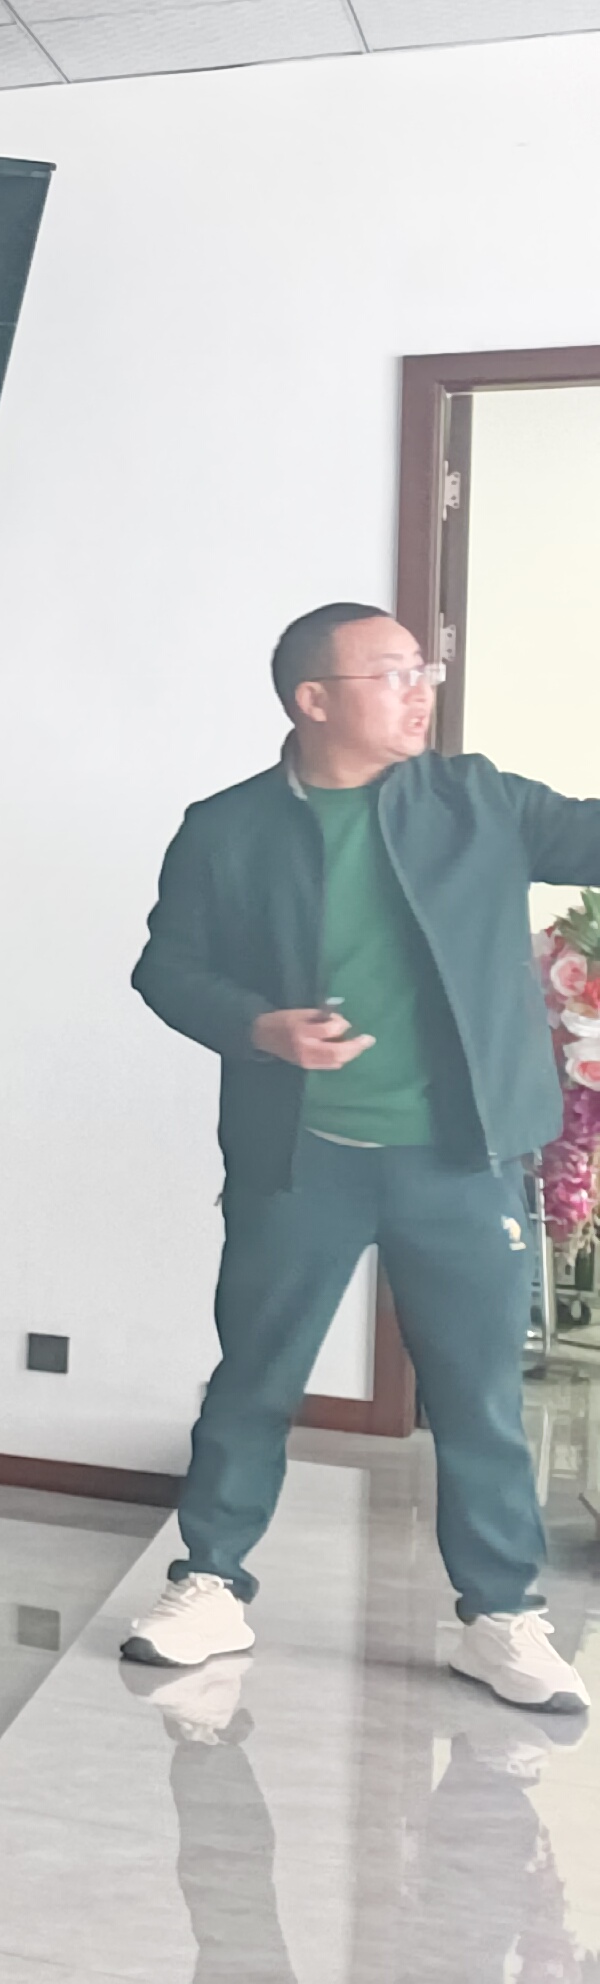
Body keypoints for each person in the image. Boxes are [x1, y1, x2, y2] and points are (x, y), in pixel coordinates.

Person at [126, 602, 600, 1710]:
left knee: (478, 1396)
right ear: (313, 699)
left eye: (421, 670)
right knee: (253, 1377)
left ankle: (500, 1616)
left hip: (461, 1158)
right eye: (393, 673)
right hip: (301, 1159)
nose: (420, 690)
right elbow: (165, 969)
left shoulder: (477, 801)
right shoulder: (227, 828)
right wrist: (259, 1026)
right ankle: (210, 1583)